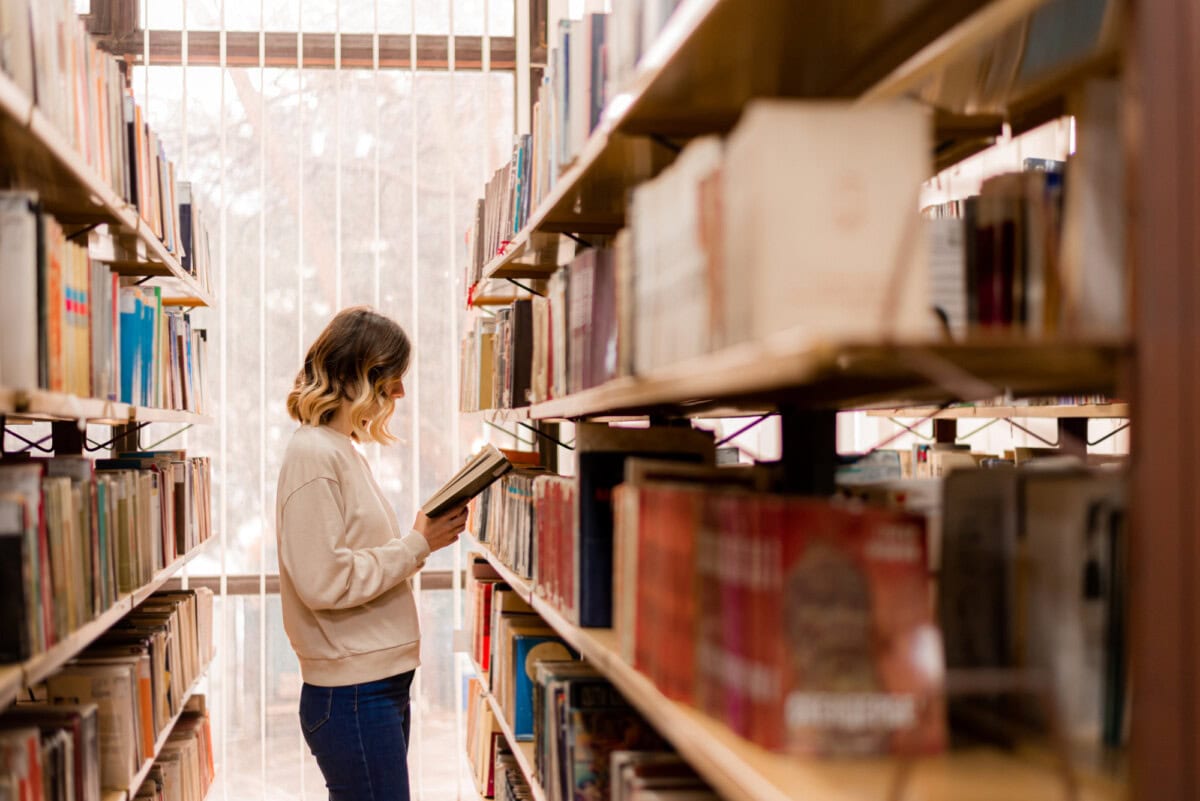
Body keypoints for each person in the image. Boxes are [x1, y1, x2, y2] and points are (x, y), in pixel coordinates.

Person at [275, 306, 468, 801]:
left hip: (372, 686)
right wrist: (416, 543)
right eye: (392, 378)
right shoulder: (314, 455)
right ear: (362, 375)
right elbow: (324, 580)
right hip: (352, 694)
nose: (400, 393)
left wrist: (418, 542)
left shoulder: (339, 450)